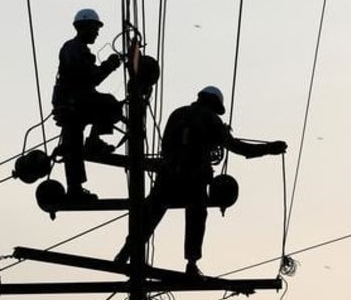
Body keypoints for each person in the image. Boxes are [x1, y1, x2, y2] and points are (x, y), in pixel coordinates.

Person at [116, 86, 287, 276]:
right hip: (193, 179)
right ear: (214, 104)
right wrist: (269, 149)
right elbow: (238, 148)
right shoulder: (211, 120)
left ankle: (126, 253)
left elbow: (167, 146)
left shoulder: (177, 114)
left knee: (150, 213)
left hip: (167, 176)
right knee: (197, 215)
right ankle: (191, 264)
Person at [52, 8, 123, 199]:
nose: (97, 33)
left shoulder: (76, 49)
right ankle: (92, 143)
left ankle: (75, 189)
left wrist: (108, 67)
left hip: (73, 103)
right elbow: (88, 78)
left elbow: (90, 78)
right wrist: (108, 66)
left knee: (72, 147)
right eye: (95, 28)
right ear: (83, 27)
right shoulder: (74, 49)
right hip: (74, 104)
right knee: (110, 105)